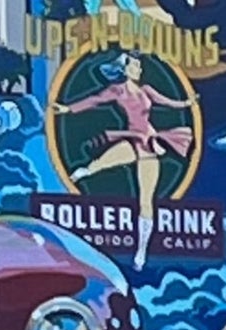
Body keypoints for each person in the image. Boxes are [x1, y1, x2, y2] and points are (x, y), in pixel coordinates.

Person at [62, 52, 196, 270]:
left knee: (146, 201)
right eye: (135, 66)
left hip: (150, 143)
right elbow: (95, 100)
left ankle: (141, 250)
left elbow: (168, 102)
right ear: (125, 69)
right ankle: (83, 171)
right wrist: (68, 109)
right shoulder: (118, 91)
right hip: (131, 139)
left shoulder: (146, 90)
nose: (140, 70)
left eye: (140, 66)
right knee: (99, 164)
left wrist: (186, 103)